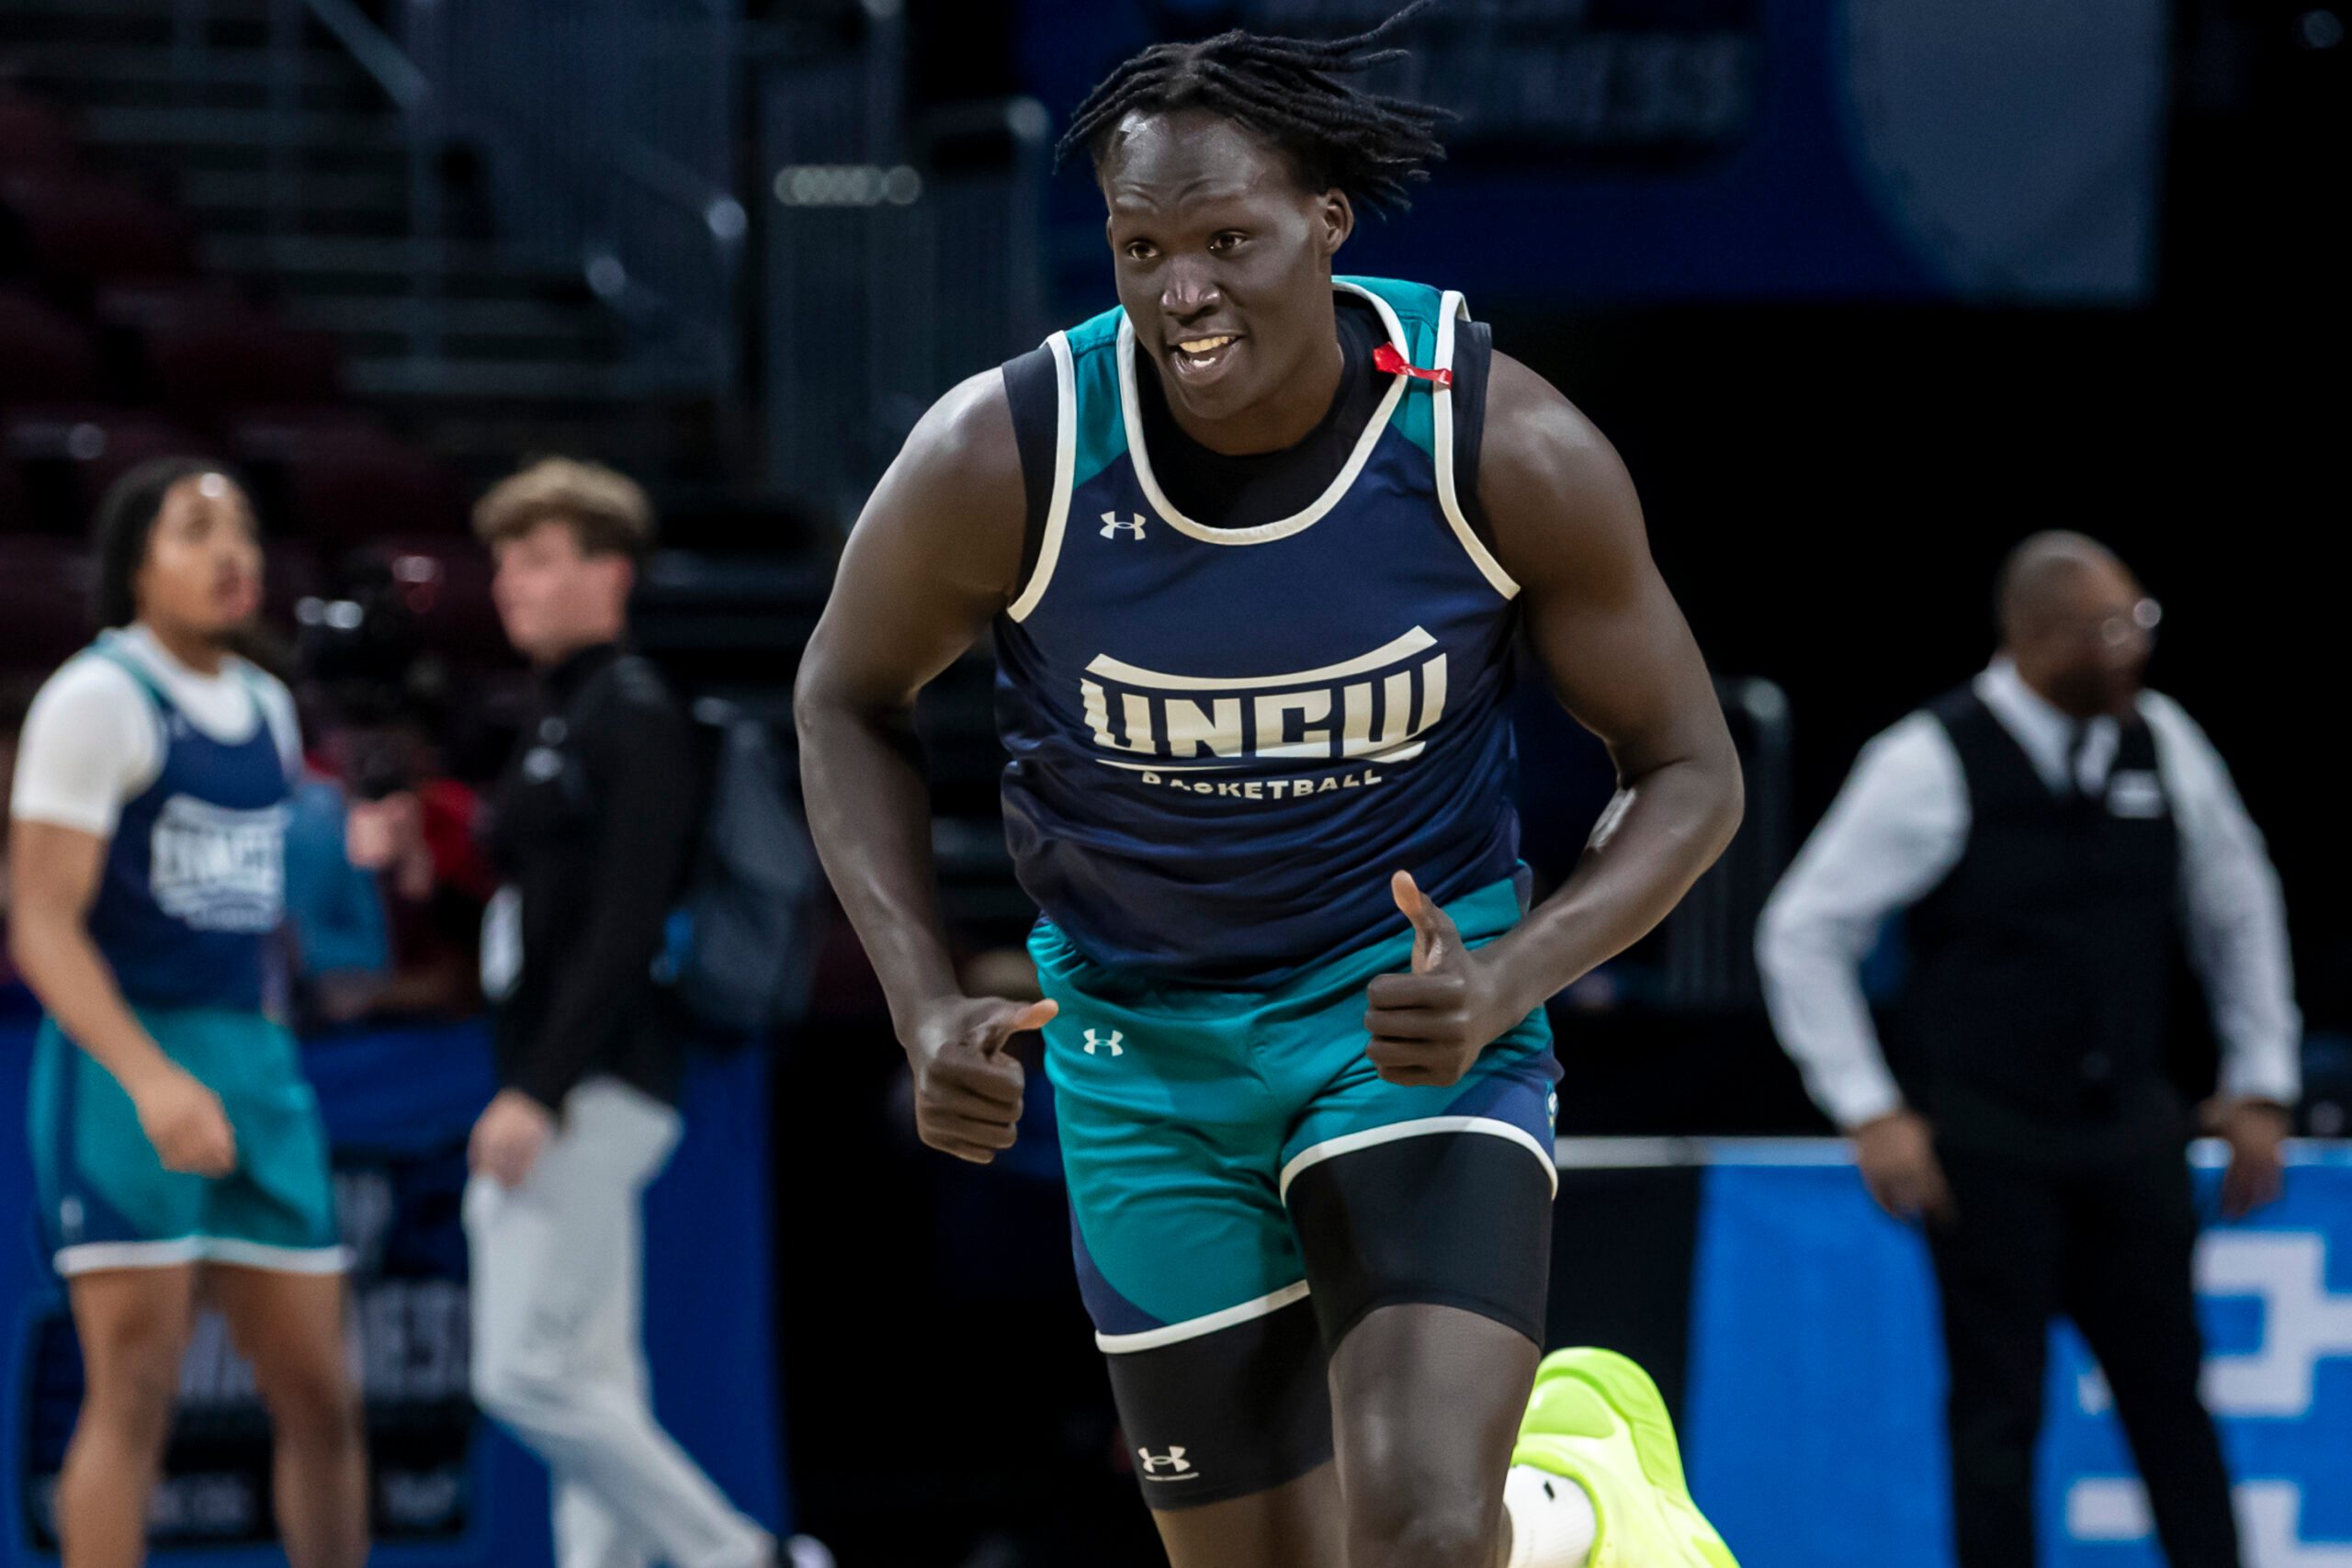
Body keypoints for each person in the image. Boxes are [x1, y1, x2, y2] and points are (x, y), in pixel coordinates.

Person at [793, 9, 1747, 1566]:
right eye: (1140, 246)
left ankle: (1561, 1492)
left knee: (1420, 1537)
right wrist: (917, 994)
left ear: (1325, 222)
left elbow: (1692, 772)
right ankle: (1557, 1509)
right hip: (1138, 1051)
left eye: (1227, 239)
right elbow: (841, 698)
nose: (1184, 293)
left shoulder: (1496, 442)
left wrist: (1510, 974)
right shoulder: (1009, 450)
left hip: (1402, 1028)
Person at [1758, 531, 2300, 1568]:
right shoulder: (1928, 760)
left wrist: (2262, 1080)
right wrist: (1868, 1107)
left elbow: (2238, 908)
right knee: (1997, 1414)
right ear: (2034, 638)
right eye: (2108, 629)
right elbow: (1804, 930)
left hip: (2130, 1130)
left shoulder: (2165, 743)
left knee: (2171, 1402)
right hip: (1986, 1138)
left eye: (2138, 621)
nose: (2133, 648)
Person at [6, 460, 368, 1568]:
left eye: (245, 532)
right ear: (133, 562)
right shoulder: (97, 697)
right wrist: (151, 1079)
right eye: (196, 530)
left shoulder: (264, 704)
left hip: (251, 1057)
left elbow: (253, 903)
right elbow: (41, 924)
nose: (232, 555)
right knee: (136, 1394)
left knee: (324, 1400)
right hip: (125, 1060)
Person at [465, 458, 784, 1568]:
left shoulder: (635, 715)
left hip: (596, 1082)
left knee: (519, 1372)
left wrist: (538, 1089)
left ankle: (742, 1556)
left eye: (540, 559)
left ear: (611, 573)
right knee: (594, 1376)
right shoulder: (558, 712)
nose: (513, 583)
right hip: (567, 1078)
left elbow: (621, 926)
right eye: (505, 561)